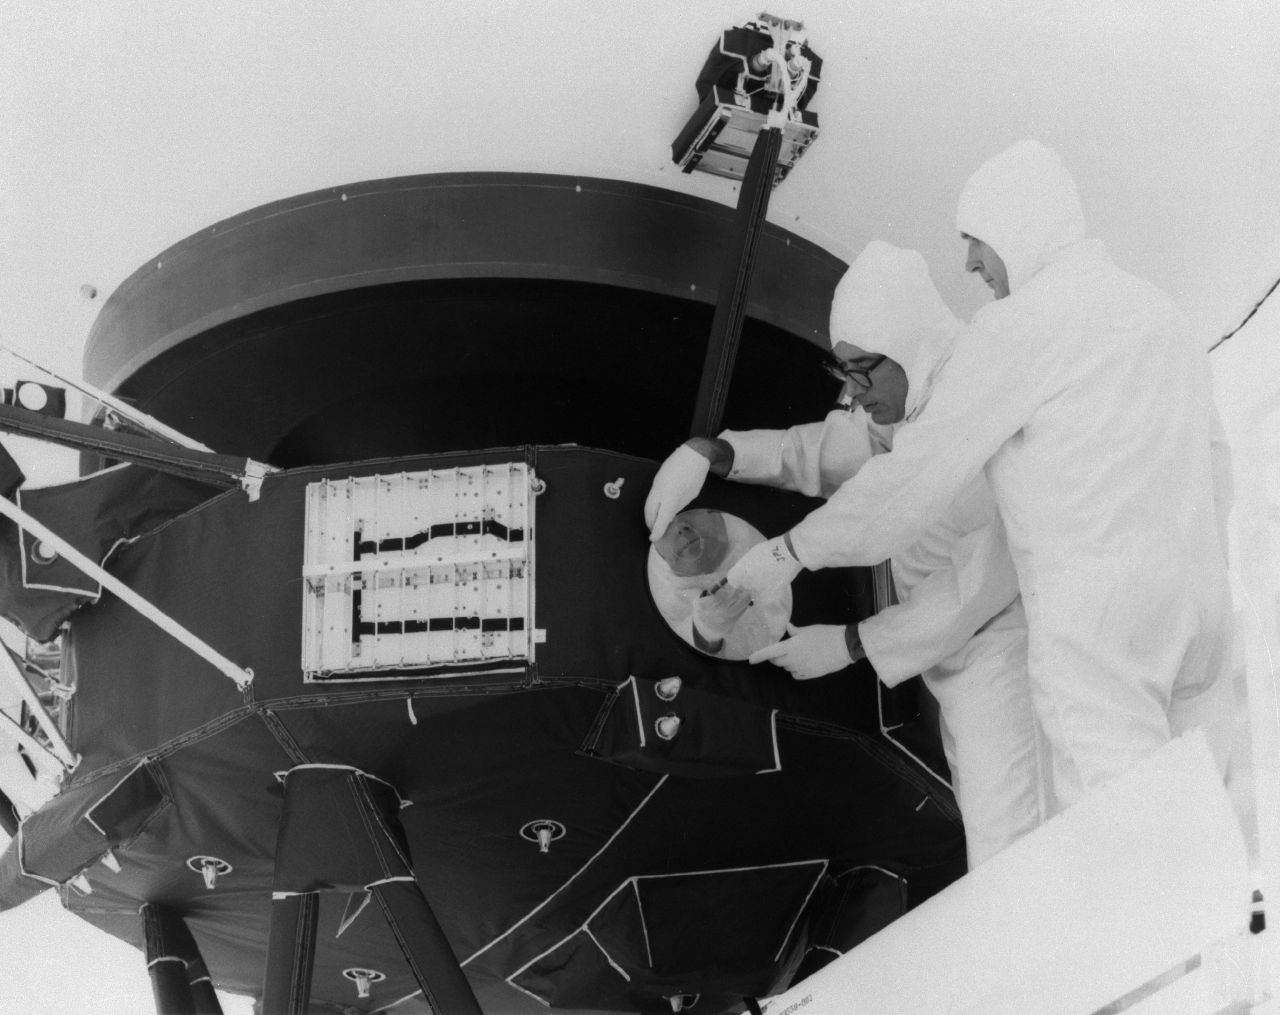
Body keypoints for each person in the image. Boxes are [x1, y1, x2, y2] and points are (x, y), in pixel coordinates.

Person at [727, 140, 1235, 811]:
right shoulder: (1158, 312)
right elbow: (1217, 466)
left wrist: (789, 553)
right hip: (1199, 605)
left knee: (1114, 821)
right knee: (1198, 811)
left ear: (1020, 227)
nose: (968, 262)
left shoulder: (1016, 329)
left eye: (976, 240)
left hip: (1099, 612)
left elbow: (910, 485)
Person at [646, 241, 1047, 866]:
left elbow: (985, 583)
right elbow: (836, 450)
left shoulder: (984, 409)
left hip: (996, 644)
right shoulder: (913, 392)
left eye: (862, 370)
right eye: (844, 373)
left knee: (1007, 844)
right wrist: (716, 453)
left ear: (907, 344)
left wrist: (853, 642)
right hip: (936, 633)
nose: (853, 392)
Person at [648, 508, 790, 659]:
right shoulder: (666, 607)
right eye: (664, 527)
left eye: (689, 512)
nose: (681, 528)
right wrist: (704, 635)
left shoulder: (767, 542)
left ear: (717, 515)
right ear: (658, 553)